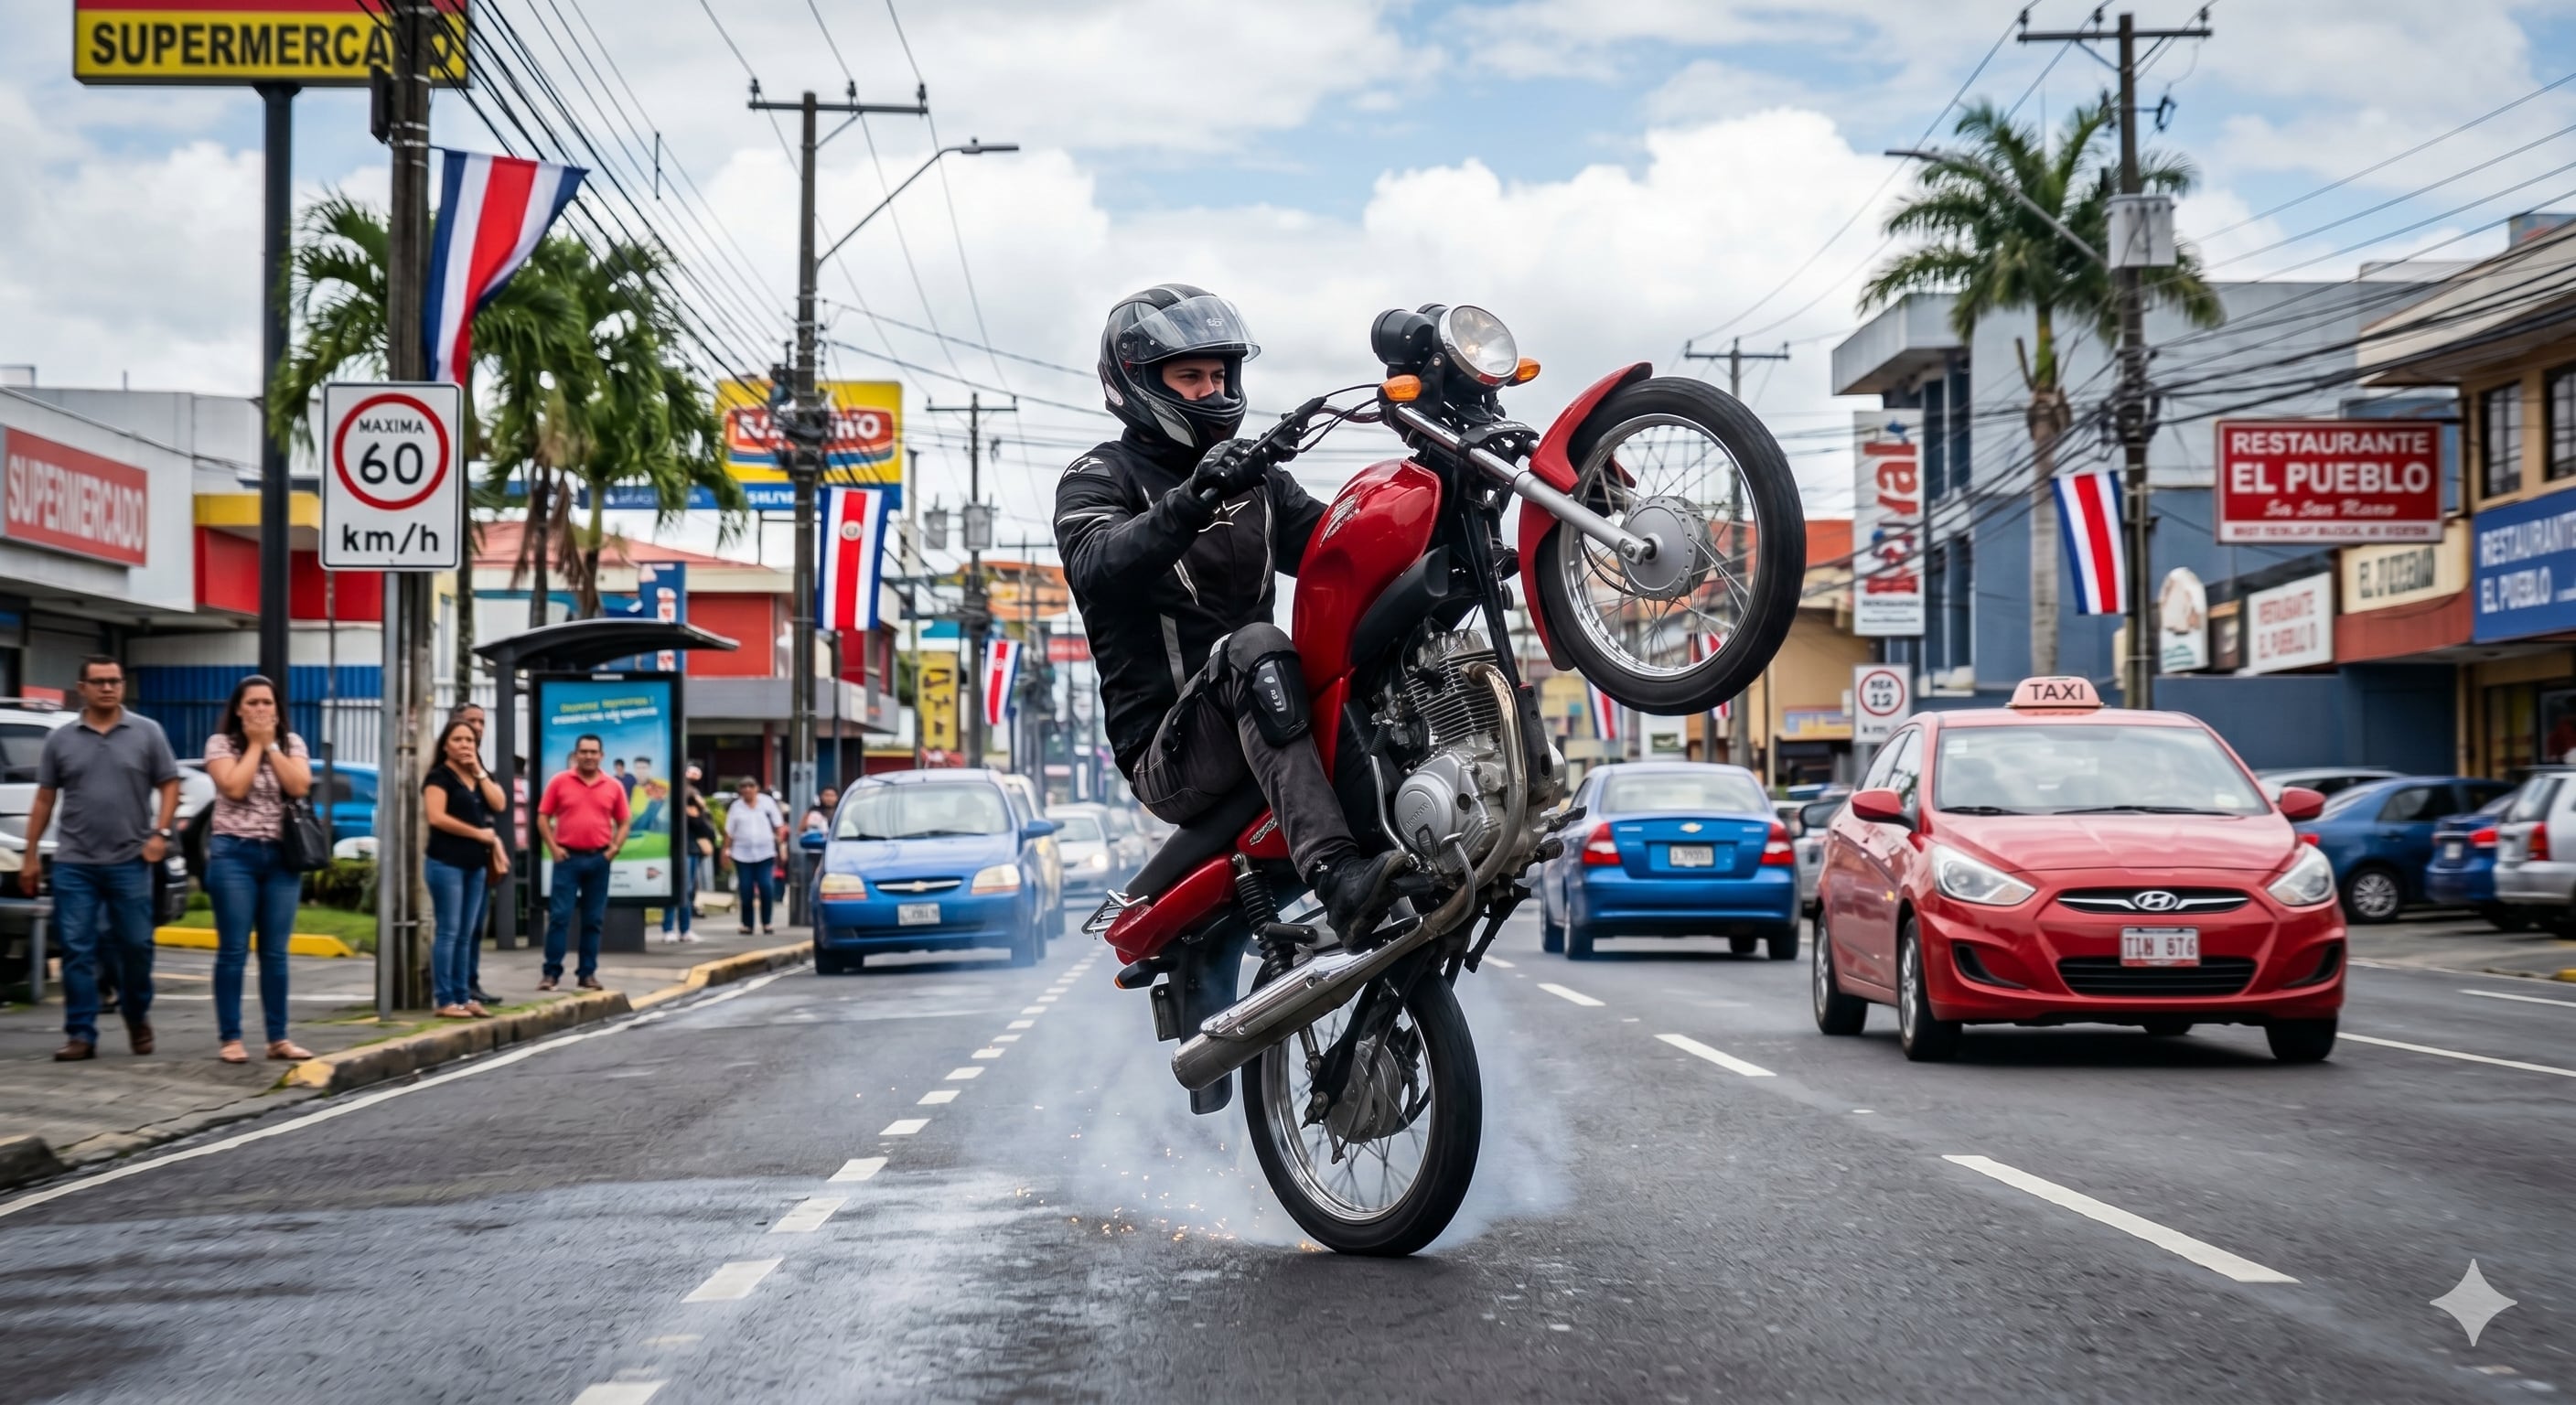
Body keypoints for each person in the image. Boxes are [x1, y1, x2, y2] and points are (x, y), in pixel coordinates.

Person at [1054, 284, 1407, 948]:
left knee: (1373, 643)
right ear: (1136, 381)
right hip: (1172, 754)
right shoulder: (1098, 476)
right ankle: (1335, 874)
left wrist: (1456, 523)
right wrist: (1194, 497)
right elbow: (1098, 564)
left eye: (1219, 375)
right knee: (1257, 646)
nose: (1211, 392)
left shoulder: (1259, 479)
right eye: (1190, 377)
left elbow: (1343, 551)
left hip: (1267, 717)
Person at [20, 656, 182, 1061]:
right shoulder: (61, 739)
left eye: (115, 681)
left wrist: (160, 834)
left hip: (131, 859)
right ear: (82, 688)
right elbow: (44, 798)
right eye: (99, 682)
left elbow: (170, 784)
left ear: (122, 686)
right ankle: (81, 1033)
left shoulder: (147, 732)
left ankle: (136, 1015)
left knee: (135, 946)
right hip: (75, 861)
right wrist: (31, 856)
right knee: (77, 948)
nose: (108, 688)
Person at [199, 674, 319, 1063]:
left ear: (278, 708)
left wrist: (271, 747)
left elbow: (299, 785)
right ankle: (231, 1037)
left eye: (267, 703)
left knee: (275, 951)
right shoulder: (221, 744)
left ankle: (278, 1037)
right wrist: (254, 745)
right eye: (252, 703)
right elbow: (234, 786)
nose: (260, 710)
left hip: (281, 857)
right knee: (234, 948)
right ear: (238, 708)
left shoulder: (292, 742)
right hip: (235, 853)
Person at [424, 717, 508, 1018]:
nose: (464, 745)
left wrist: (480, 772)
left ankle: (464, 995)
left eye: (470, 741)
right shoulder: (439, 778)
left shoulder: (476, 778)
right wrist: (478, 834)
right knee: (448, 931)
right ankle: (445, 999)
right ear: (446, 744)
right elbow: (436, 817)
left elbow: (499, 804)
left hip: (476, 866)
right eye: (458, 740)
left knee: (467, 933)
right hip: (446, 863)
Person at [535, 734, 630, 992]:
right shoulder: (559, 781)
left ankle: (587, 974)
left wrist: (613, 850)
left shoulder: (613, 786)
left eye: (593, 752)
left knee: (593, 919)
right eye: (584, 751)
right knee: (559, 917)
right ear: (576, 754)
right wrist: (553, 848)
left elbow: (624, 821)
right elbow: (542, 817)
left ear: (602, 756)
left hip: (599, 859)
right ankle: (551, 974)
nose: (588, 756)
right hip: (567, 858)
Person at [726, 777, 786, 936]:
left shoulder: (767, 803)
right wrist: (726, 851)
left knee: (766, 887)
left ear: (757, 788)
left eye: (750, 786)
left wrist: (781, 846)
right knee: (746, 890)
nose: (747, 789)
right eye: (743, 786)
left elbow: (779, 826)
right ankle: (747, 924)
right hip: (742, 854)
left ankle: (767, 922)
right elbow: (729, 832)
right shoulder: (736, 807)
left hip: (765, 853)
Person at [663, 777, 714, 944]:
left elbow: (705, 829)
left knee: (687, 890)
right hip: (672, 850)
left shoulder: (693, 809)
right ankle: (669, 928)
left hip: (690, 850)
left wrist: (696, 811)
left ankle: (685, 929)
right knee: (673, 889)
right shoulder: (667, 806)